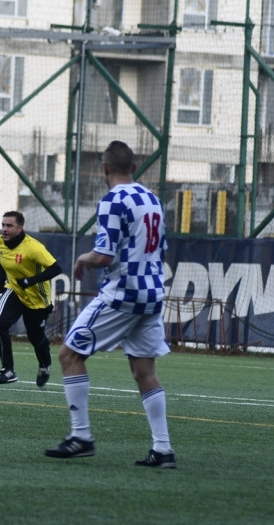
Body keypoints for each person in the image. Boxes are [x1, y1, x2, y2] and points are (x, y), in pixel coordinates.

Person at [44, 141, 175, 468]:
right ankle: (163, 450)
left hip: (123, 294)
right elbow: (162, 251)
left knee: (69, 354)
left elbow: (104, 256)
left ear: (104, 169)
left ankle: (81, 436)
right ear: (134, 167)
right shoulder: (153, 200)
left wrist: (81, 259)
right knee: (144, 371)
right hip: (153, 293)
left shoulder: (112, 201)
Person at [0, 210, 63, 386]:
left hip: (38, 299)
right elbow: (1, 260)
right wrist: (1, 280)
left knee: (35, 337)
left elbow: (56, 269)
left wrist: (30, 281)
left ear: (20, 228)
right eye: (3, 225)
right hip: (15, 290)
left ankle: (45, 365)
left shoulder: (33, 247)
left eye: (9, 226)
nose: (5, 229)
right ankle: (8, 369)